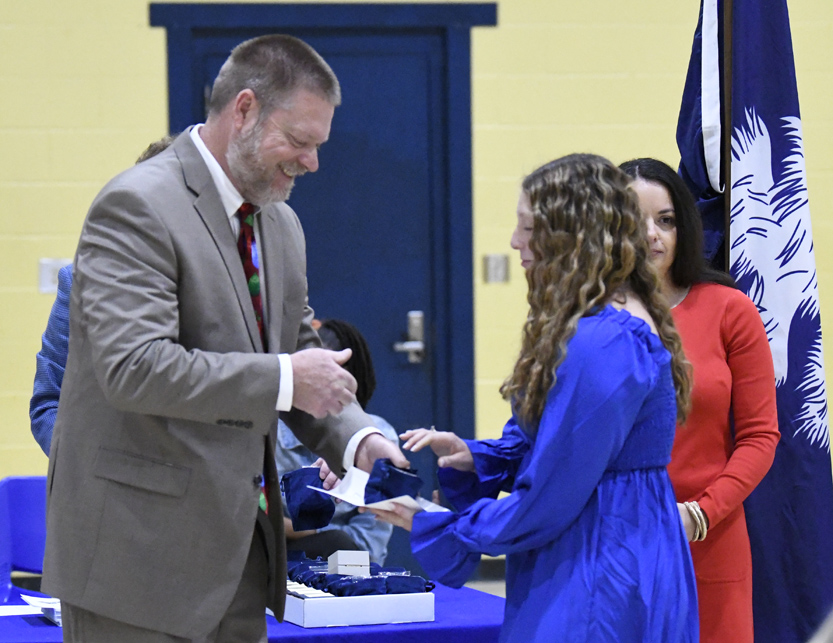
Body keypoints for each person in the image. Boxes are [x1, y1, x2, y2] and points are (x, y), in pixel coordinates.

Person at [42, 34, 407, 643]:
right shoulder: (137, 204)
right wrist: (286, 378)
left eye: (319, 145)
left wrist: (359, 439)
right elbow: (134, 367)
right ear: (244, 110)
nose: (312, 162)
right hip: (135, 564)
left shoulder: (280, 223)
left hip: (241, 562)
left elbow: (301, 353)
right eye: (299, 141)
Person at [370, 153, 699, 642]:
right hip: (604, 550)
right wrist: (479, 457)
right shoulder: (602, 324)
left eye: (527, 227)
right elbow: (562, 448)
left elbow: (552, 496)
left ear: (569, 237)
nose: (514, 241)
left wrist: (442, 524)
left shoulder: (604, 342)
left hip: (601, 567)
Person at [620, 157, 780, 643]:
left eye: (666, 220)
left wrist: (702, 512)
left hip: (709, 536)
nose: (652, 235)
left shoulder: (729, 309)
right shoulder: (589, 318)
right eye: (635, 220)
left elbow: (760, 436)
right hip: (617, 539)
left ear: (684, 226)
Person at [29, 135, 176, 456]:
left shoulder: (243, 283)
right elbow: (48, 403)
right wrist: (91, 467)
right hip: (105, 475)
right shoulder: (80, 279)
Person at [279, 318, 397, 563]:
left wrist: (299, 530)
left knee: (338, 544)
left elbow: (368, 546)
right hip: (274, 557)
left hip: (345, 560)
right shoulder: (270, 433)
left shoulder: (377, 437)